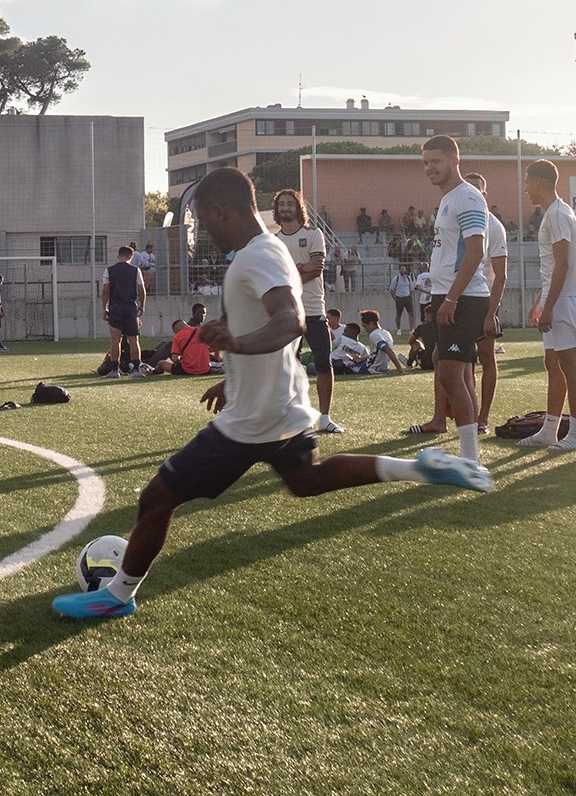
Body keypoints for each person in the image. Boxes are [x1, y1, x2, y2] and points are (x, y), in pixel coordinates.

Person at [52, 168, 492, 620]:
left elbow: (289, 321)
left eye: (204, 221)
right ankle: (420, 468)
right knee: (308, 480)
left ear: (222, 211)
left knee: (157, 498)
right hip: (281, 402)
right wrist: (234, 370)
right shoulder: (271, 250)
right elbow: (267, 320)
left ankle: (117, 596)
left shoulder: (255, 258)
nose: (203, 232)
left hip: (253, 419)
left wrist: (237, 346)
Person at [421, 135, 489, 464]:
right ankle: (469, 454)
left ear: (454, 160)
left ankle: (471, 458)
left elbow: (475, 251)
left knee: (450, 373)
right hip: (447, 295)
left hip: (463, 298)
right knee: (448, 369)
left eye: (435, 161)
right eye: (425, 163)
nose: (429, 168)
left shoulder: (468, 197)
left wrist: (451, 298)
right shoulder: (449, 198)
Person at [273, 188, 343, 434]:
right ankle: (292, 414)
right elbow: (274, 275)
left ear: (298, 207)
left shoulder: (314, 234)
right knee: (287, 365)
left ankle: (325, 417)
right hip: (286, 312)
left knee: (324, 363)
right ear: (277, 209)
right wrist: (301, 267)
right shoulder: (273, 241)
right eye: (281, 204)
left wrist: (290, 271)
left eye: (290, 204)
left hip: (313, 309)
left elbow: (317, 268)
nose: (285, 208)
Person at [517, 159, 576, 450]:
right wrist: (540, 300)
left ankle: (574, 433)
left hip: (564, 301)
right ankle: (549, 430)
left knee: (569, 365)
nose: (525, 188)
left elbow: (563, 263)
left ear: (539, 181)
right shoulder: (555, 213)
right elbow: (553, 264)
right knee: (553, 363)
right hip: (556, 298)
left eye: (527, 182)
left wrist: (550, 306)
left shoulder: (558, 214)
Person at [465, 172, 507, 434]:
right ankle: (466, 413)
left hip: (483, 302)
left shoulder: (494, 226)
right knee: (458, 361)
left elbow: (500, 274)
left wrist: (492, 311)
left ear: (484, 193)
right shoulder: (461, 220)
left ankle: (482, 418)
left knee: (486, 358)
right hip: (461, 299)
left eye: (476, 189)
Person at [101, 246, 146, 379]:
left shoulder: (109, 270)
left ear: (118, 255)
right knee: (134, 340)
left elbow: (105, 291)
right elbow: (142, 290)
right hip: (130, 307)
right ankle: (136, 369)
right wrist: (142, 306)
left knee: (115, 341)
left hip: (115, 307)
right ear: (130, 257)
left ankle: (115, 370)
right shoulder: (135, 270)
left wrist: (104, 308)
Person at [358, 309, 405, 374]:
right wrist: (361, 359)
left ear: (371, 323)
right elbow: (377, 353)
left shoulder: (374, 335)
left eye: (365, 326)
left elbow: (388, 351)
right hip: (384, 369)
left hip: (372, 369)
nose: (364, 329)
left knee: (345, 366)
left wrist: (400, 370)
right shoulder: (386, 333)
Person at [401, 303, 437, 370]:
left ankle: (409, 363)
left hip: (427, 363)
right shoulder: (442, 327)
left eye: (425, 315)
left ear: (430, 316)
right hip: (440, 363)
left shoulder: (422, 327)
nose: (424, 318)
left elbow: (411, 341)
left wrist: (419, 351)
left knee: (415, 343)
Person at [388, 264, 415, 336]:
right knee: (398, 315)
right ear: (399, 270)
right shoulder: (396, 278)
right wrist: (395, 299)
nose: (403, 270)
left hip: (407, 298)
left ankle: (411, 329)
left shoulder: (408, 278)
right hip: (399, 298)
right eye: (402, 269)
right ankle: (398, 329)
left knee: (411, 314)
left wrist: (410, 296)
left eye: (404, 269)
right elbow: (391, 290)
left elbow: (411, 289)